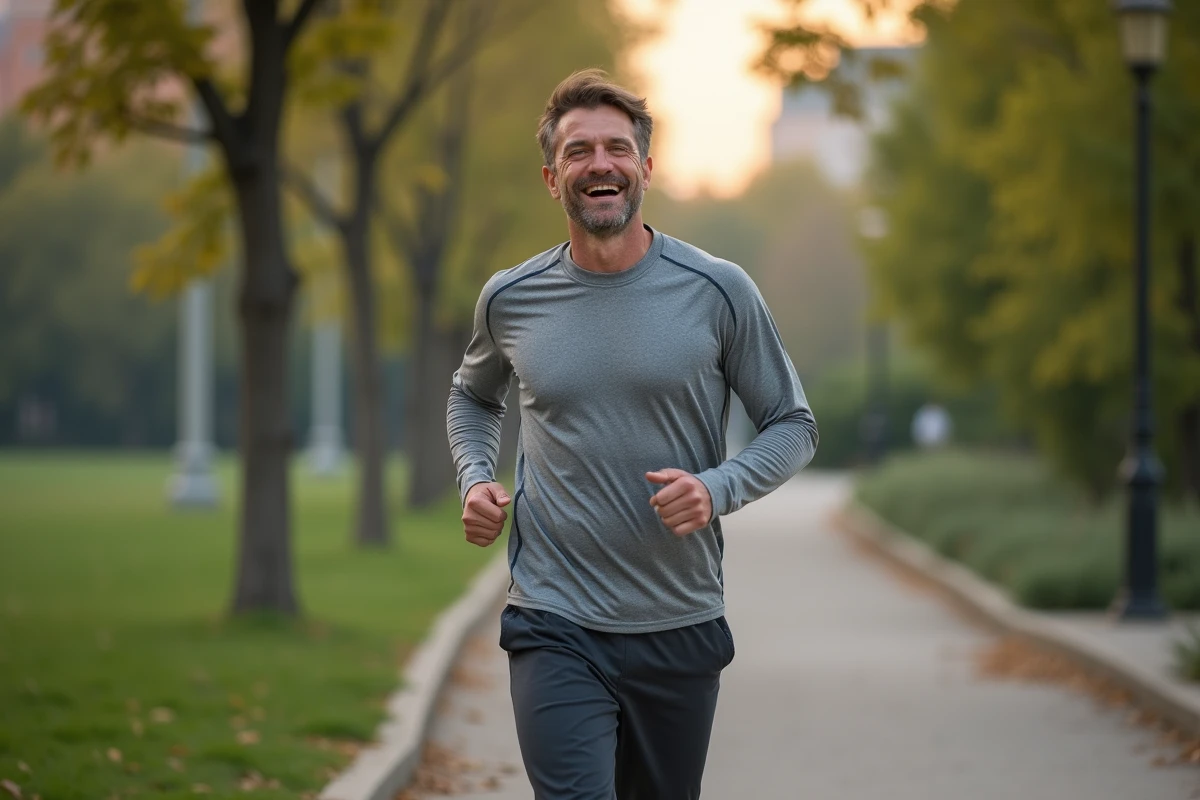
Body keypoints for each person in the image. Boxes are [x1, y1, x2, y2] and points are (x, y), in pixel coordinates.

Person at [446, 69, 818, 800]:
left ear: (646, 169)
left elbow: (793, 424)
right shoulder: (511, 298)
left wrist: (717, 489)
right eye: (578, 151)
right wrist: (476, 478)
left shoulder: (718, 291)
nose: (600, 164)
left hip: (678, 619)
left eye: (617, 148)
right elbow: (472, 396)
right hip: (553, 617)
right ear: (552, 178)